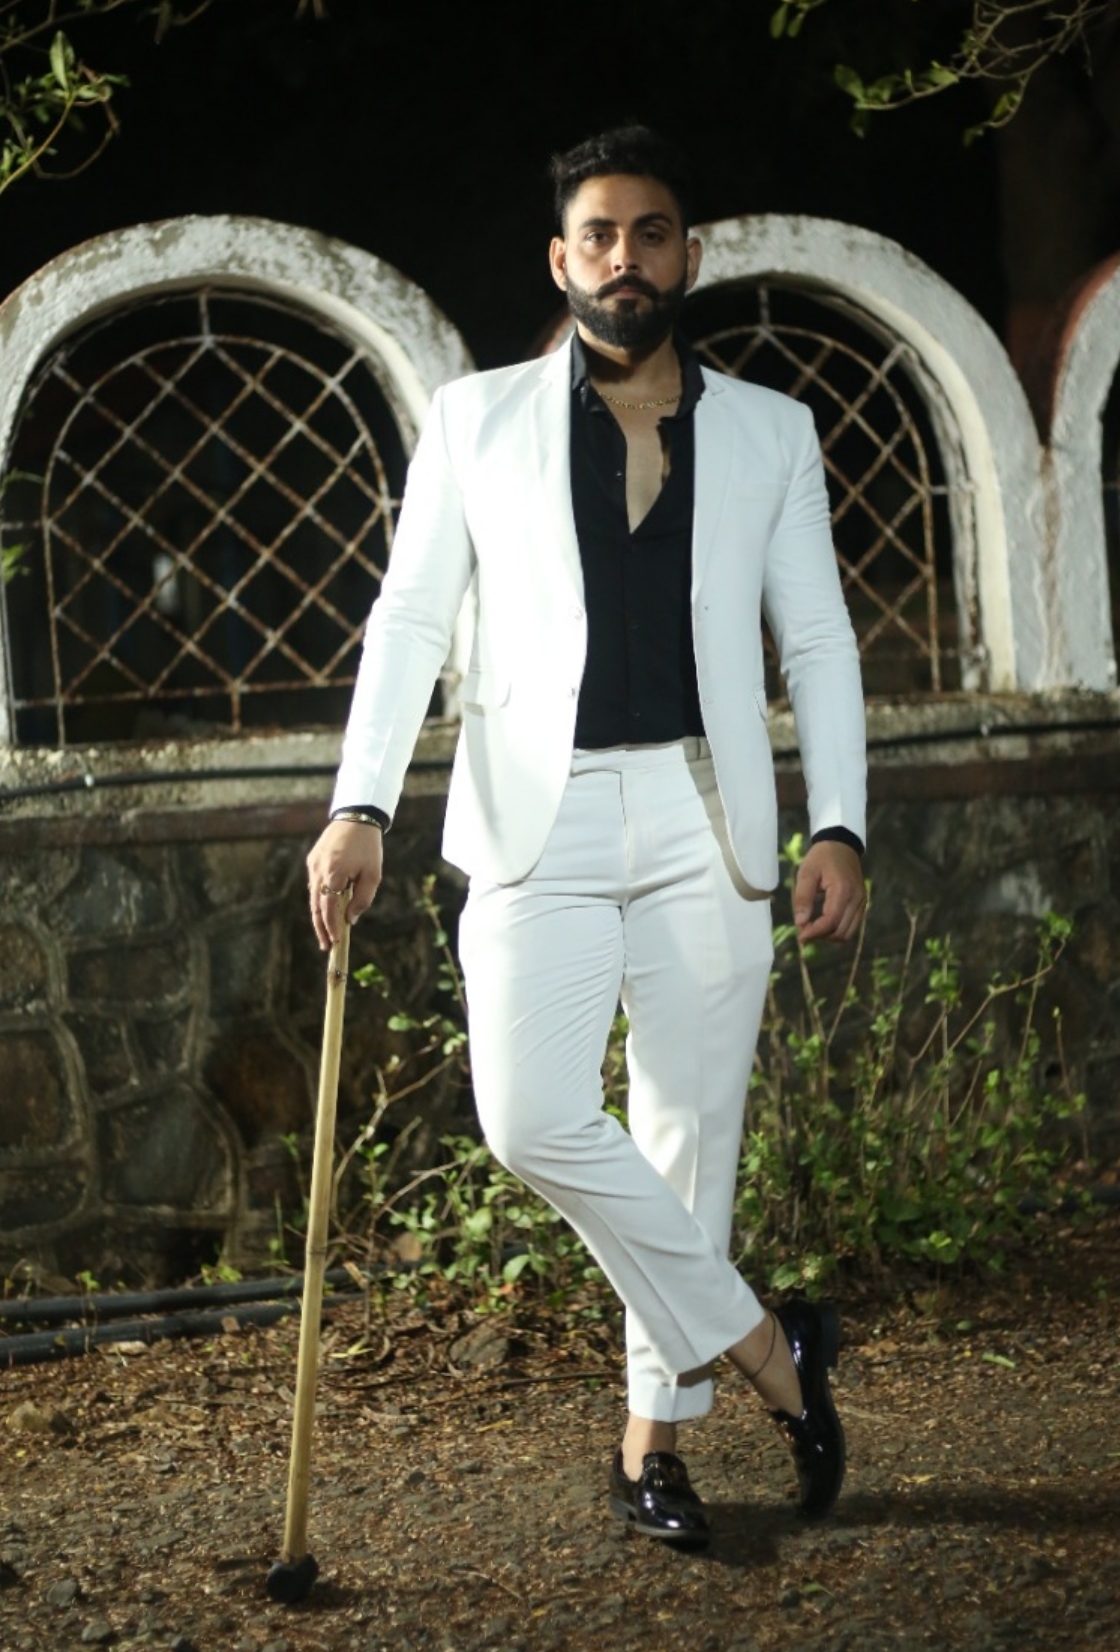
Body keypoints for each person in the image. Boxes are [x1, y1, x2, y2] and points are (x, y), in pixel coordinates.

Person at [308, 124, 867, 1549]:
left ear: (690, 256)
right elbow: (409, 620)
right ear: (561, 261)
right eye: (600, 236)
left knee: (690, 1139)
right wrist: (361, 802)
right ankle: (770, 1348)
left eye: (652, 233)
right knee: (529, 1115)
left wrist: (839, 822)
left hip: (704, 807)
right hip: (531, 812)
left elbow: (815, 637)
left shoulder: (772, 431)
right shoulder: (474, 419)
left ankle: (651, 1450)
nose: (628, 259)